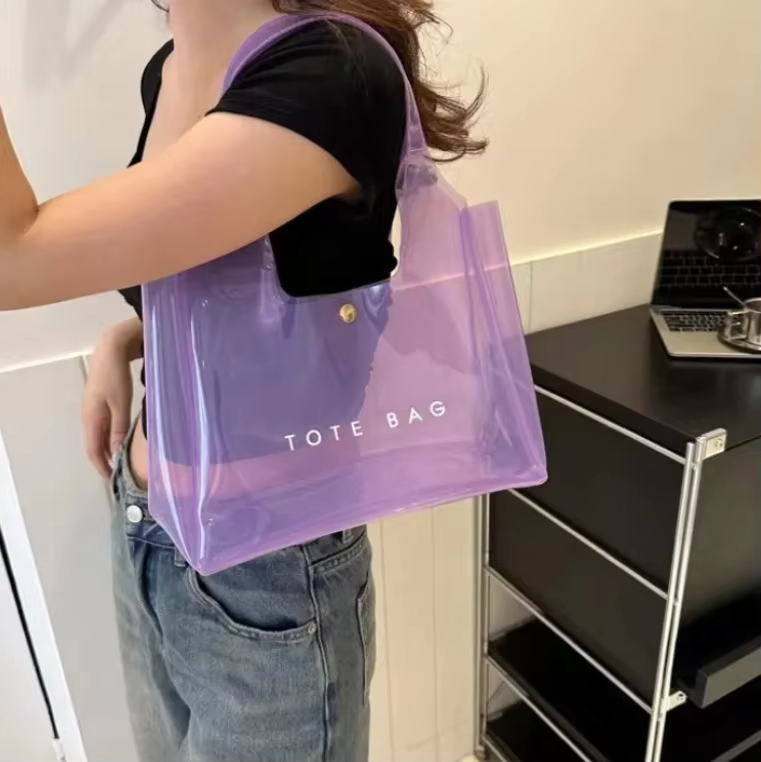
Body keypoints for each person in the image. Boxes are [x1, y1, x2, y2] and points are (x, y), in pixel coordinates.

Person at [0, 1, 485, 759]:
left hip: (266, 572)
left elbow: (11, 258)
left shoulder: (328, 71)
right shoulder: (171, 69)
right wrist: (123, 338)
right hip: (149, 528)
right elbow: (238, 285)